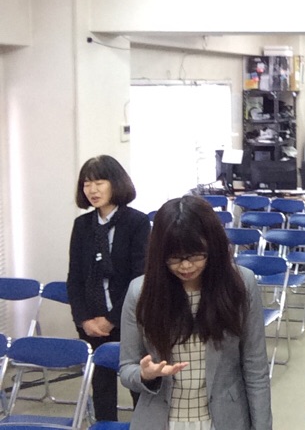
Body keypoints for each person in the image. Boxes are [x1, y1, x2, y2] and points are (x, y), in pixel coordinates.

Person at [119, 195, 272, 429]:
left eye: (195, 255)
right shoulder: (140, 292)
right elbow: (126, 368)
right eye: (175, 258)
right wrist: (145, 374)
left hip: (224, 419)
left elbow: (256, 368)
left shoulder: (240, 284)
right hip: (162, 420)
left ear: (213, 247)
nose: (186, 266)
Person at [66, 155, 150, 422]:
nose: (92, 190)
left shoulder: (137, 223)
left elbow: (139, 279)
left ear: (115, 183)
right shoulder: (82, 226)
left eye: (99, 182)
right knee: (101, 386)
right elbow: (74, 278)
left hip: (128, 319)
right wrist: (83, 319)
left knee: (137, 385)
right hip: (91, 321)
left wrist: (112, 319)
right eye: (86, 184)